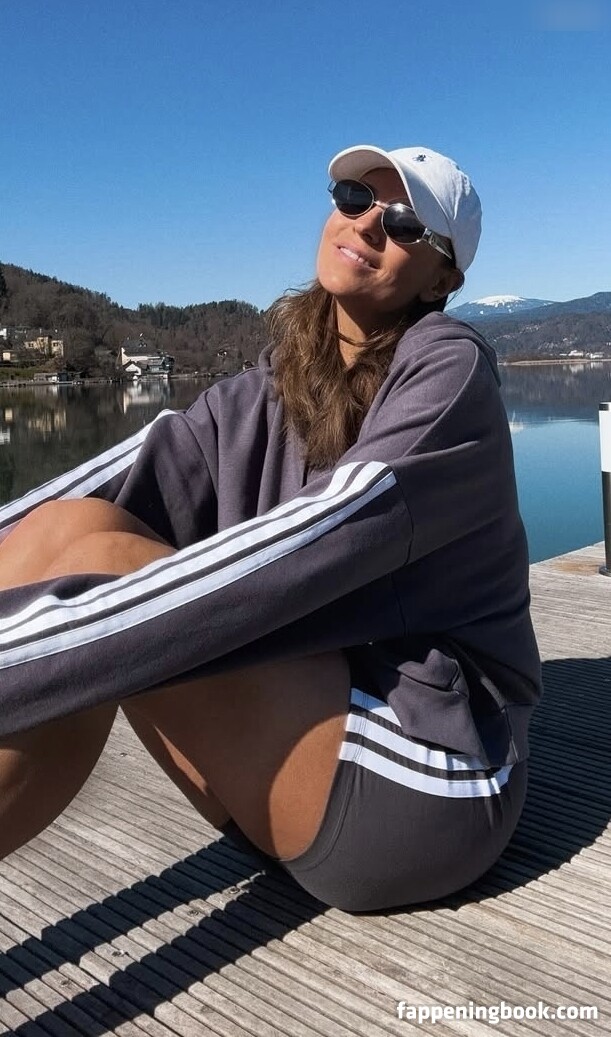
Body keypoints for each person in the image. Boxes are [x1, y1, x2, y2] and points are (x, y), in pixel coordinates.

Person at [0, 144, 542, 912]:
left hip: (425, 779)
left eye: (403, 223)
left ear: (441, 280)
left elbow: (325, 530)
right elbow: (113, 480)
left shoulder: (449, 369)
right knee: (72, 526)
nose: (366, 224)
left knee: (104, 582)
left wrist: (26, 653)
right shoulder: (271, 383)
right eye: (353, 197)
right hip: (298, 754)